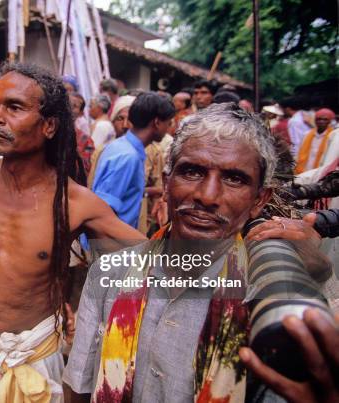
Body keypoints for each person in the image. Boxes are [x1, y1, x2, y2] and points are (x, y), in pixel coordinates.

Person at [65, 102, 338, 403]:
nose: (207, 196)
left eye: (234, 178)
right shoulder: (109, 273)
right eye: (192, 171)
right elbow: (78, 388)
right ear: (167, 184)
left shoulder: (270, 297)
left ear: (259, 200)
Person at [0, 62, 145, 403]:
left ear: (50, 126)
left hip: (36, 358)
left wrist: (255, 246)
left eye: (14, 107)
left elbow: (158, 263)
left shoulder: (76, 202)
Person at [92, 92, 175, 229]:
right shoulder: (128, 157)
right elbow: (104, 211)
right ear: (157, 123)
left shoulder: (122, 147)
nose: (168, 128)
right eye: (168, 123)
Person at [295, 108, 336, 174]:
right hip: (304, 170)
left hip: (321, 171)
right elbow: (299, 152)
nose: (321, 121)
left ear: (329, 121)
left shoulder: (333, 136)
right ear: (315, 120)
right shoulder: (307, 134)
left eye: (325, 119)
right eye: (319, 119)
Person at [69, 93, 95, 174]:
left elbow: (85, 168)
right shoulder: (48, 133)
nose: (68, 108)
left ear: (80, 112)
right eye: (66, 104)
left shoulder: (87, 141)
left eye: (75, 106)